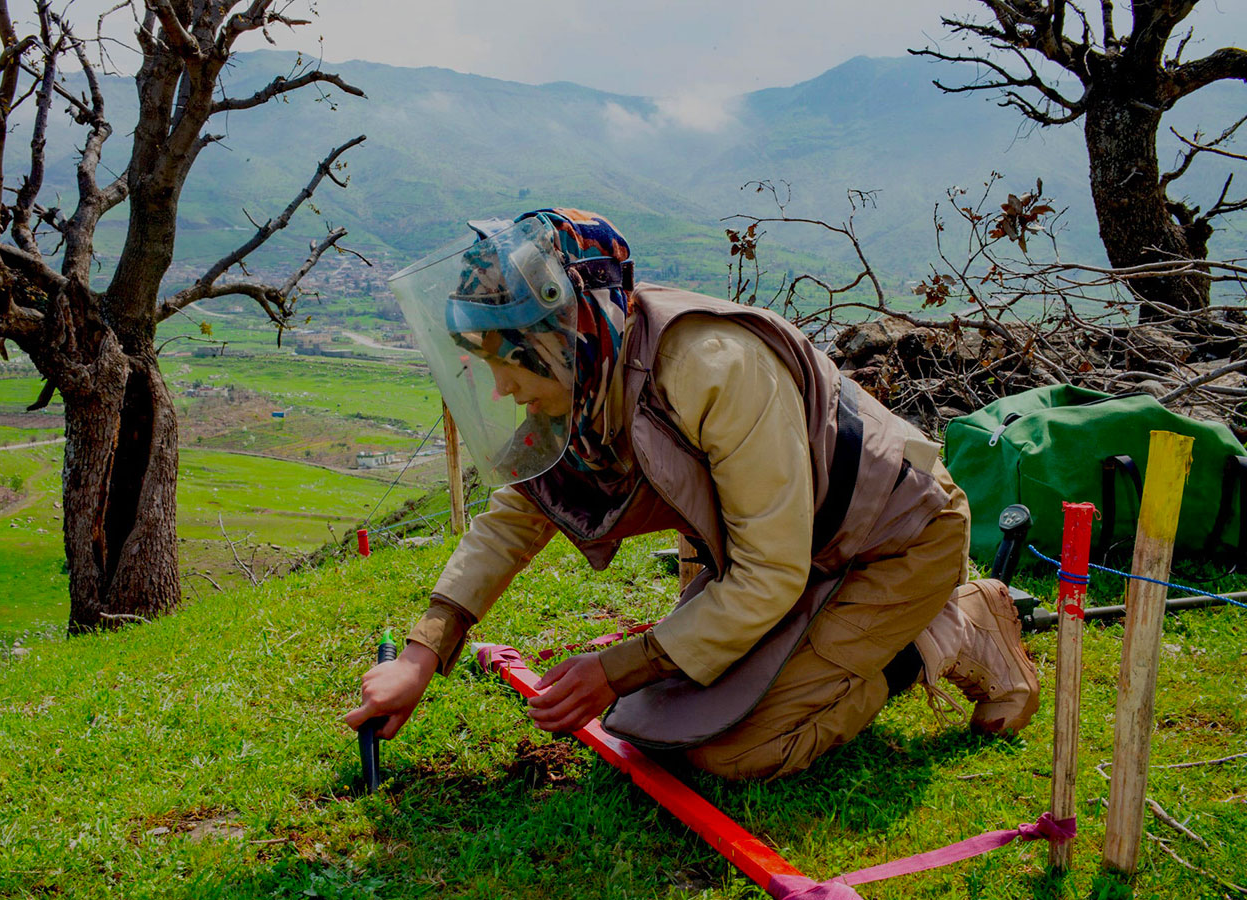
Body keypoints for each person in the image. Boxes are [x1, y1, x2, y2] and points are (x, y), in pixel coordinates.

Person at [344, 208, 1038, 780]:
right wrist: (422, 652)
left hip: (896, 539)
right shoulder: (586, 380)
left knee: (731, 750)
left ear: (569, 333)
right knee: (659, 723)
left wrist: (618, 666)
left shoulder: (712, 369)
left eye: (514, 362)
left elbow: (770, 572)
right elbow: (516, 513)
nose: (503, 389)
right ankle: (858, 629)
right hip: (784, 555)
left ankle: (955, 628)